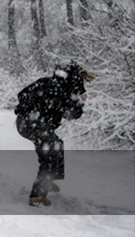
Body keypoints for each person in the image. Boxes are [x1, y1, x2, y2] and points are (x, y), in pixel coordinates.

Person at [15, 61, 93, 206]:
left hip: (25, 122)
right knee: (50, 155)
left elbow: (22, 95)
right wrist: (79, 102)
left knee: (55, 146)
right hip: (35, 124)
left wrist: (27, 109)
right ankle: (37, 195)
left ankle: (47, 180)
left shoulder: (45, 82)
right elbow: (73, 114)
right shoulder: (68, 91)